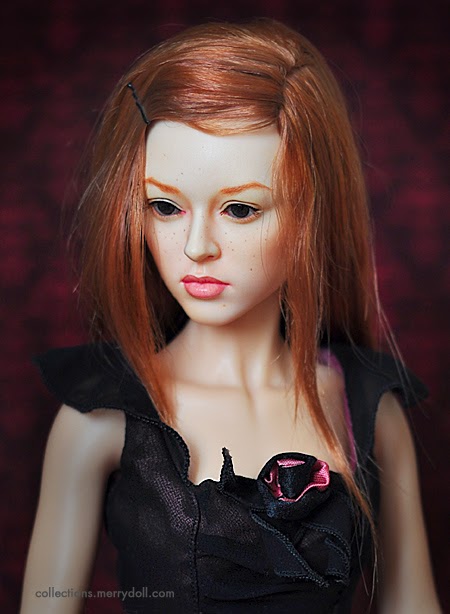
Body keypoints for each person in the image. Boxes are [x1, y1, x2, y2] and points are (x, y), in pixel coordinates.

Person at [20, 19, 440, 614]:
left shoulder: (367, 408)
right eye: (165, 206)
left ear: (310, 215)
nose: (196, 247)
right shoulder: (100, 420)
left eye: (240, 210)